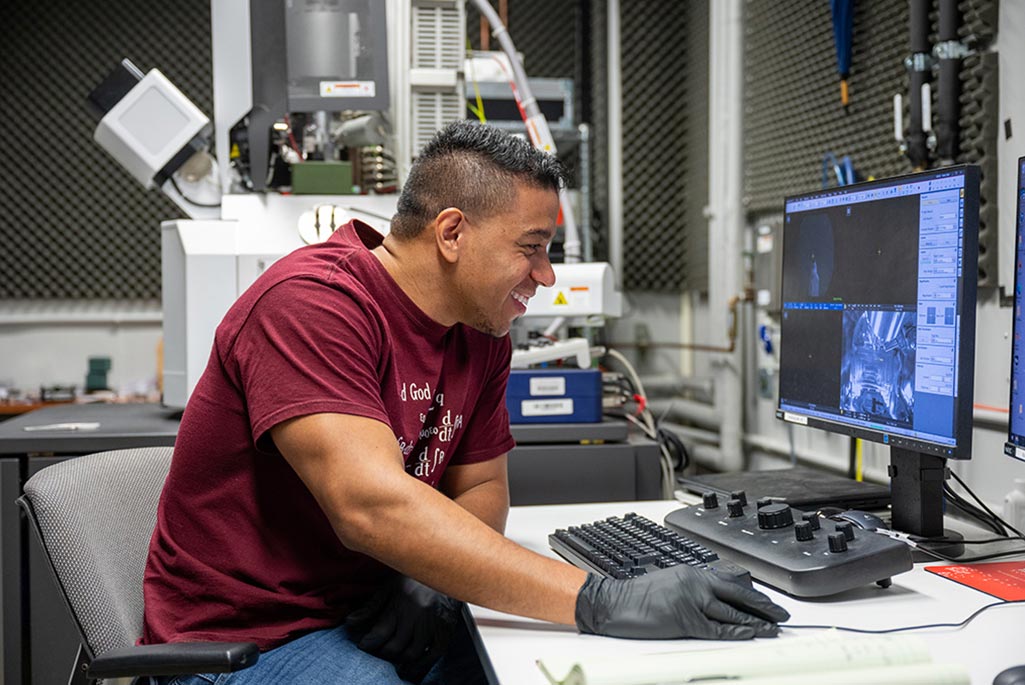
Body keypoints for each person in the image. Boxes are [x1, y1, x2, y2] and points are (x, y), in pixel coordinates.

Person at [142, 121, 789, 685]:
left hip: (376, 607)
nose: (545, 276)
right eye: (531, 248)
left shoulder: (477, 332)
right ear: (452, 232)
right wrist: (599, 596)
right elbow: (368, 508)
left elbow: (481, 485)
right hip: (251, 640)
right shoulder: (311, 305)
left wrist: (434, 576)